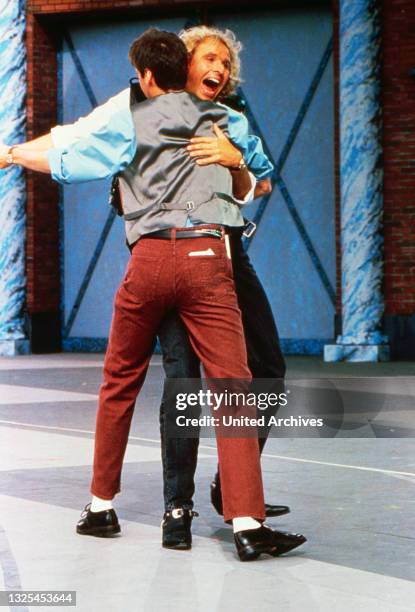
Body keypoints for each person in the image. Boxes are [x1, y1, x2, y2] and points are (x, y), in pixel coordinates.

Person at [0, 29, 306, 562]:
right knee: (227, 389)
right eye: (210, 57)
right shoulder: (223, 120)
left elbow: (72, 154)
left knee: (124, 382)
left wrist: (13, 155)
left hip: (153, 261)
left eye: (226, 61)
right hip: (209, 259)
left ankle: (103, 506)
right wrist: (237, 162)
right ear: (182, 64)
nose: (221, 67)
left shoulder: (134, 119)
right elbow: (259, 182)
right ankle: (239, 521)